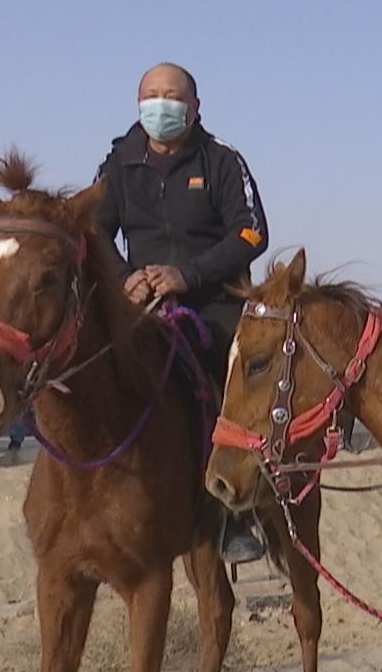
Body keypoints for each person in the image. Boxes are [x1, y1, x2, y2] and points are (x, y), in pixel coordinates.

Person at [95, 61, 271, 563]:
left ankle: (235, 512)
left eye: (172, 96)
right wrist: (126, 275)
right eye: (151, 94)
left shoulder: (221, 161)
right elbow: (93, 230)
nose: (161, 104)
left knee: (233, 383)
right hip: (140, 304)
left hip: (213, 304)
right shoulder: (117, 163)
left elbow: (252, 233)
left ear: (194, 107)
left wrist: (187, 275)